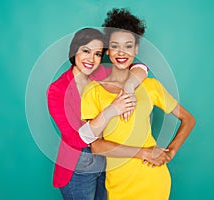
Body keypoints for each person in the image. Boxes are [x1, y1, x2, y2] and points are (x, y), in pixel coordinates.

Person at [81, 8, 196, 199]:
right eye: (115, 46)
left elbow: (188, 119)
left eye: (128, 46)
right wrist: (143, 152)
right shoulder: (93, 91)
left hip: (153, 179)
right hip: (118, 183)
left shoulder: (150, 86)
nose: (121, 52)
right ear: (108, 50)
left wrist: (170, 152)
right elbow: (96, 146)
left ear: (136, 49)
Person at [47, 28, 155, 200]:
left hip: (106, 159)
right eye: (86, 51)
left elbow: (140, 67)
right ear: (74, 50)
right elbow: (75, 139)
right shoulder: (57, 90)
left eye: (97, 54)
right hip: (78, 166)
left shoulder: (102, 75)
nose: (91, 59)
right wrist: (112, 110)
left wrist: (129, 87)